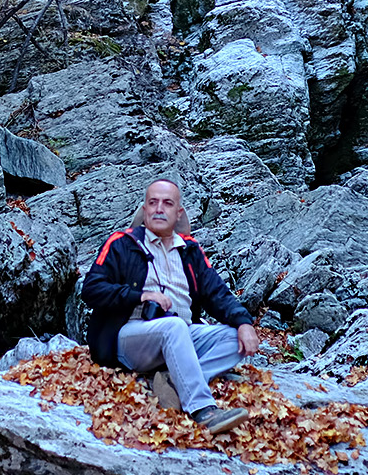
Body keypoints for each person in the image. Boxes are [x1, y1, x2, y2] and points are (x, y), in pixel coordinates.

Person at [80, 178, 259, 435]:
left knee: (234, 339)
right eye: (153, 203)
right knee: (173, 327)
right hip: (132, 336)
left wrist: (244, 322)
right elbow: (91, 289)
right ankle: (203, 410)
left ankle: (172, 381)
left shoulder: (190, 251)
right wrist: (140, 296)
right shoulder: (121, 243)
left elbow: (217, 293)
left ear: (179, 213)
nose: (159, 209)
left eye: (167, 203)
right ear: (144, 209)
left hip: (182, 332)